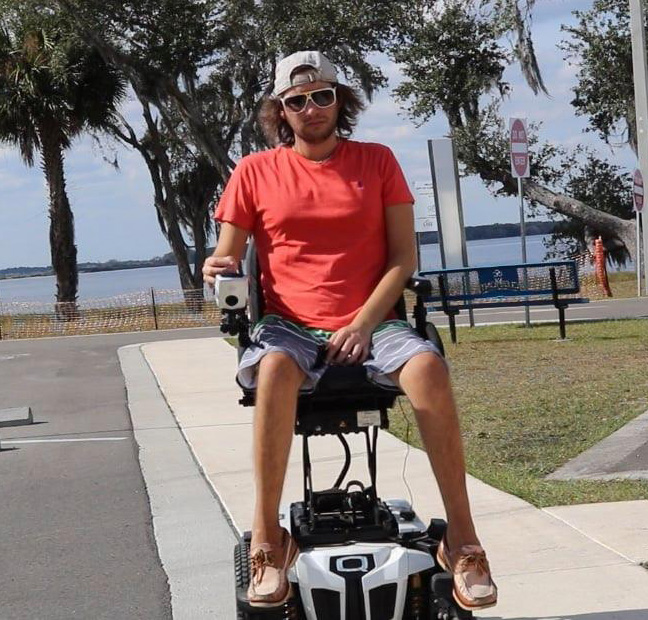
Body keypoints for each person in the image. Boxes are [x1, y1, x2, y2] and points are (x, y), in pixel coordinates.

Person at [202, 50, 498, 612]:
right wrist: (216, 267)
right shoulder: (255, 172)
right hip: (289, 325)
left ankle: (462, 540)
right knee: (273, 367)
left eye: (322, 96)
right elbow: (227, 254)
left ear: (340, 101)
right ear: (280, 111)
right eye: (297, 101)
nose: (311, 108)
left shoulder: (377, 161)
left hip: (373, 320)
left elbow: (403, 258)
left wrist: (362, 323)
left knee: (429, 366)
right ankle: (268, 540)